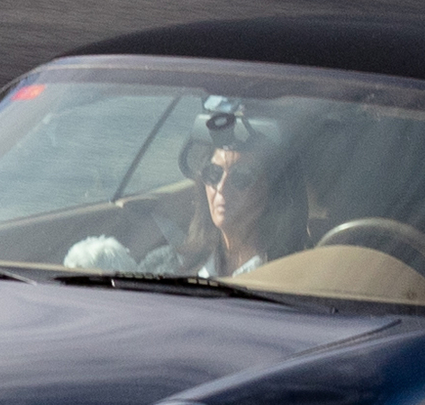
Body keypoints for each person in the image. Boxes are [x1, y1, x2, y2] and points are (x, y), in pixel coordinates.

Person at [64, 101, 307, 278]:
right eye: (214, 173)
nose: (221, 187)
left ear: (273, 194)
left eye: (242, 178)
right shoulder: (162, 265)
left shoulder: (297, 277)